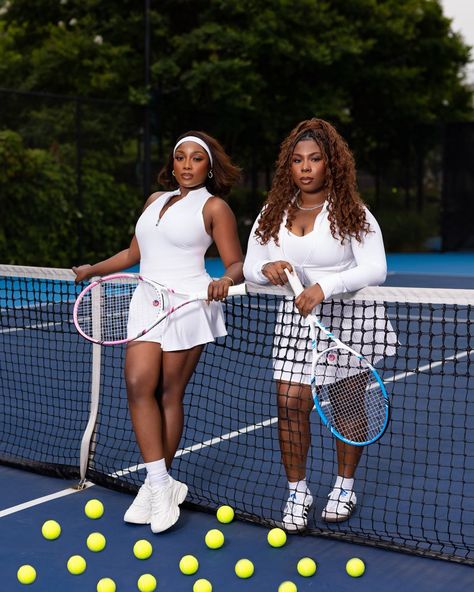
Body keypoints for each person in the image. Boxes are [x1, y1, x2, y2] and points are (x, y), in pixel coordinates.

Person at [73, 131, 244, 534]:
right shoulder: (154, 202)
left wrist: (225, 281)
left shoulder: (215, 208)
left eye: (196, 158)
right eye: (180, 157)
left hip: (189, 305)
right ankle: (161, 483)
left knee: (168, 392)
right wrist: (94, 268)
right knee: (137, 383)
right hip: (146, 302)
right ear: (172, 164)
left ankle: (157, 484)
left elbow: (235, 262)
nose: (187, 164)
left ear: (209, 166)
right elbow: (135, 254)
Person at [243, 118, 396, 532]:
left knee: (347, 405)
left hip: (350, 321)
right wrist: (266, 267)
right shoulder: (271, 212)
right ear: (288, 167)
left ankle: (344, 486)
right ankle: (297, 491)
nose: (306, 167)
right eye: (297, 160)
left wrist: (325, 287)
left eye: (314, 159)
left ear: (331, 164)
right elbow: (249, 266)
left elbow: (376, 268)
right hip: (297, 321)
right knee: (290, 403)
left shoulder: (351, 211)